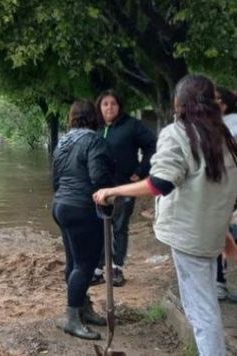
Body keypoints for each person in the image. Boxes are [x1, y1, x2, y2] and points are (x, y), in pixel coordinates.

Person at [93, 75, 237, 356]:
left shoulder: (180, 133)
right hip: (207, 233)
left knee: (201, 311)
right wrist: (222, 234)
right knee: (205, 303)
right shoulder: (224, 137)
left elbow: (159, 184)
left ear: (179, 103)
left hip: (188, 237)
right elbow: (220, 192)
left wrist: (114, 190)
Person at [52, 99, 114, 340]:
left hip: (61, 205)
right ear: (94, 116)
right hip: (82, 207)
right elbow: (98, 176)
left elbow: (56, 178)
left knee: (73, 262)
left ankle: (81, 307)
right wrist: (109, 196)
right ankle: (71, 318)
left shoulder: (63, 142)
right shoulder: (94, 140)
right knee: (85, 265)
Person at [92, 90, 156, 287]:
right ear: (99, 107)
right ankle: (99, 268)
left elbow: (152, 146)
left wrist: (141, 171)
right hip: (99, 187)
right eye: (105, 104)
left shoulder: (132, 126)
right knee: (99, 226)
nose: (109, 107)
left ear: (119, 106)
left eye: (113, 104)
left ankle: (117, 268)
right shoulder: (96, 128)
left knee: (119, 226)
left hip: (125, 185)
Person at [215, 86, 237, 301]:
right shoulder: (211, 124)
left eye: (218, 100)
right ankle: (219, 281)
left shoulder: (233, 122)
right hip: (218, 188)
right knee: (219, 234)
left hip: (231, 187)